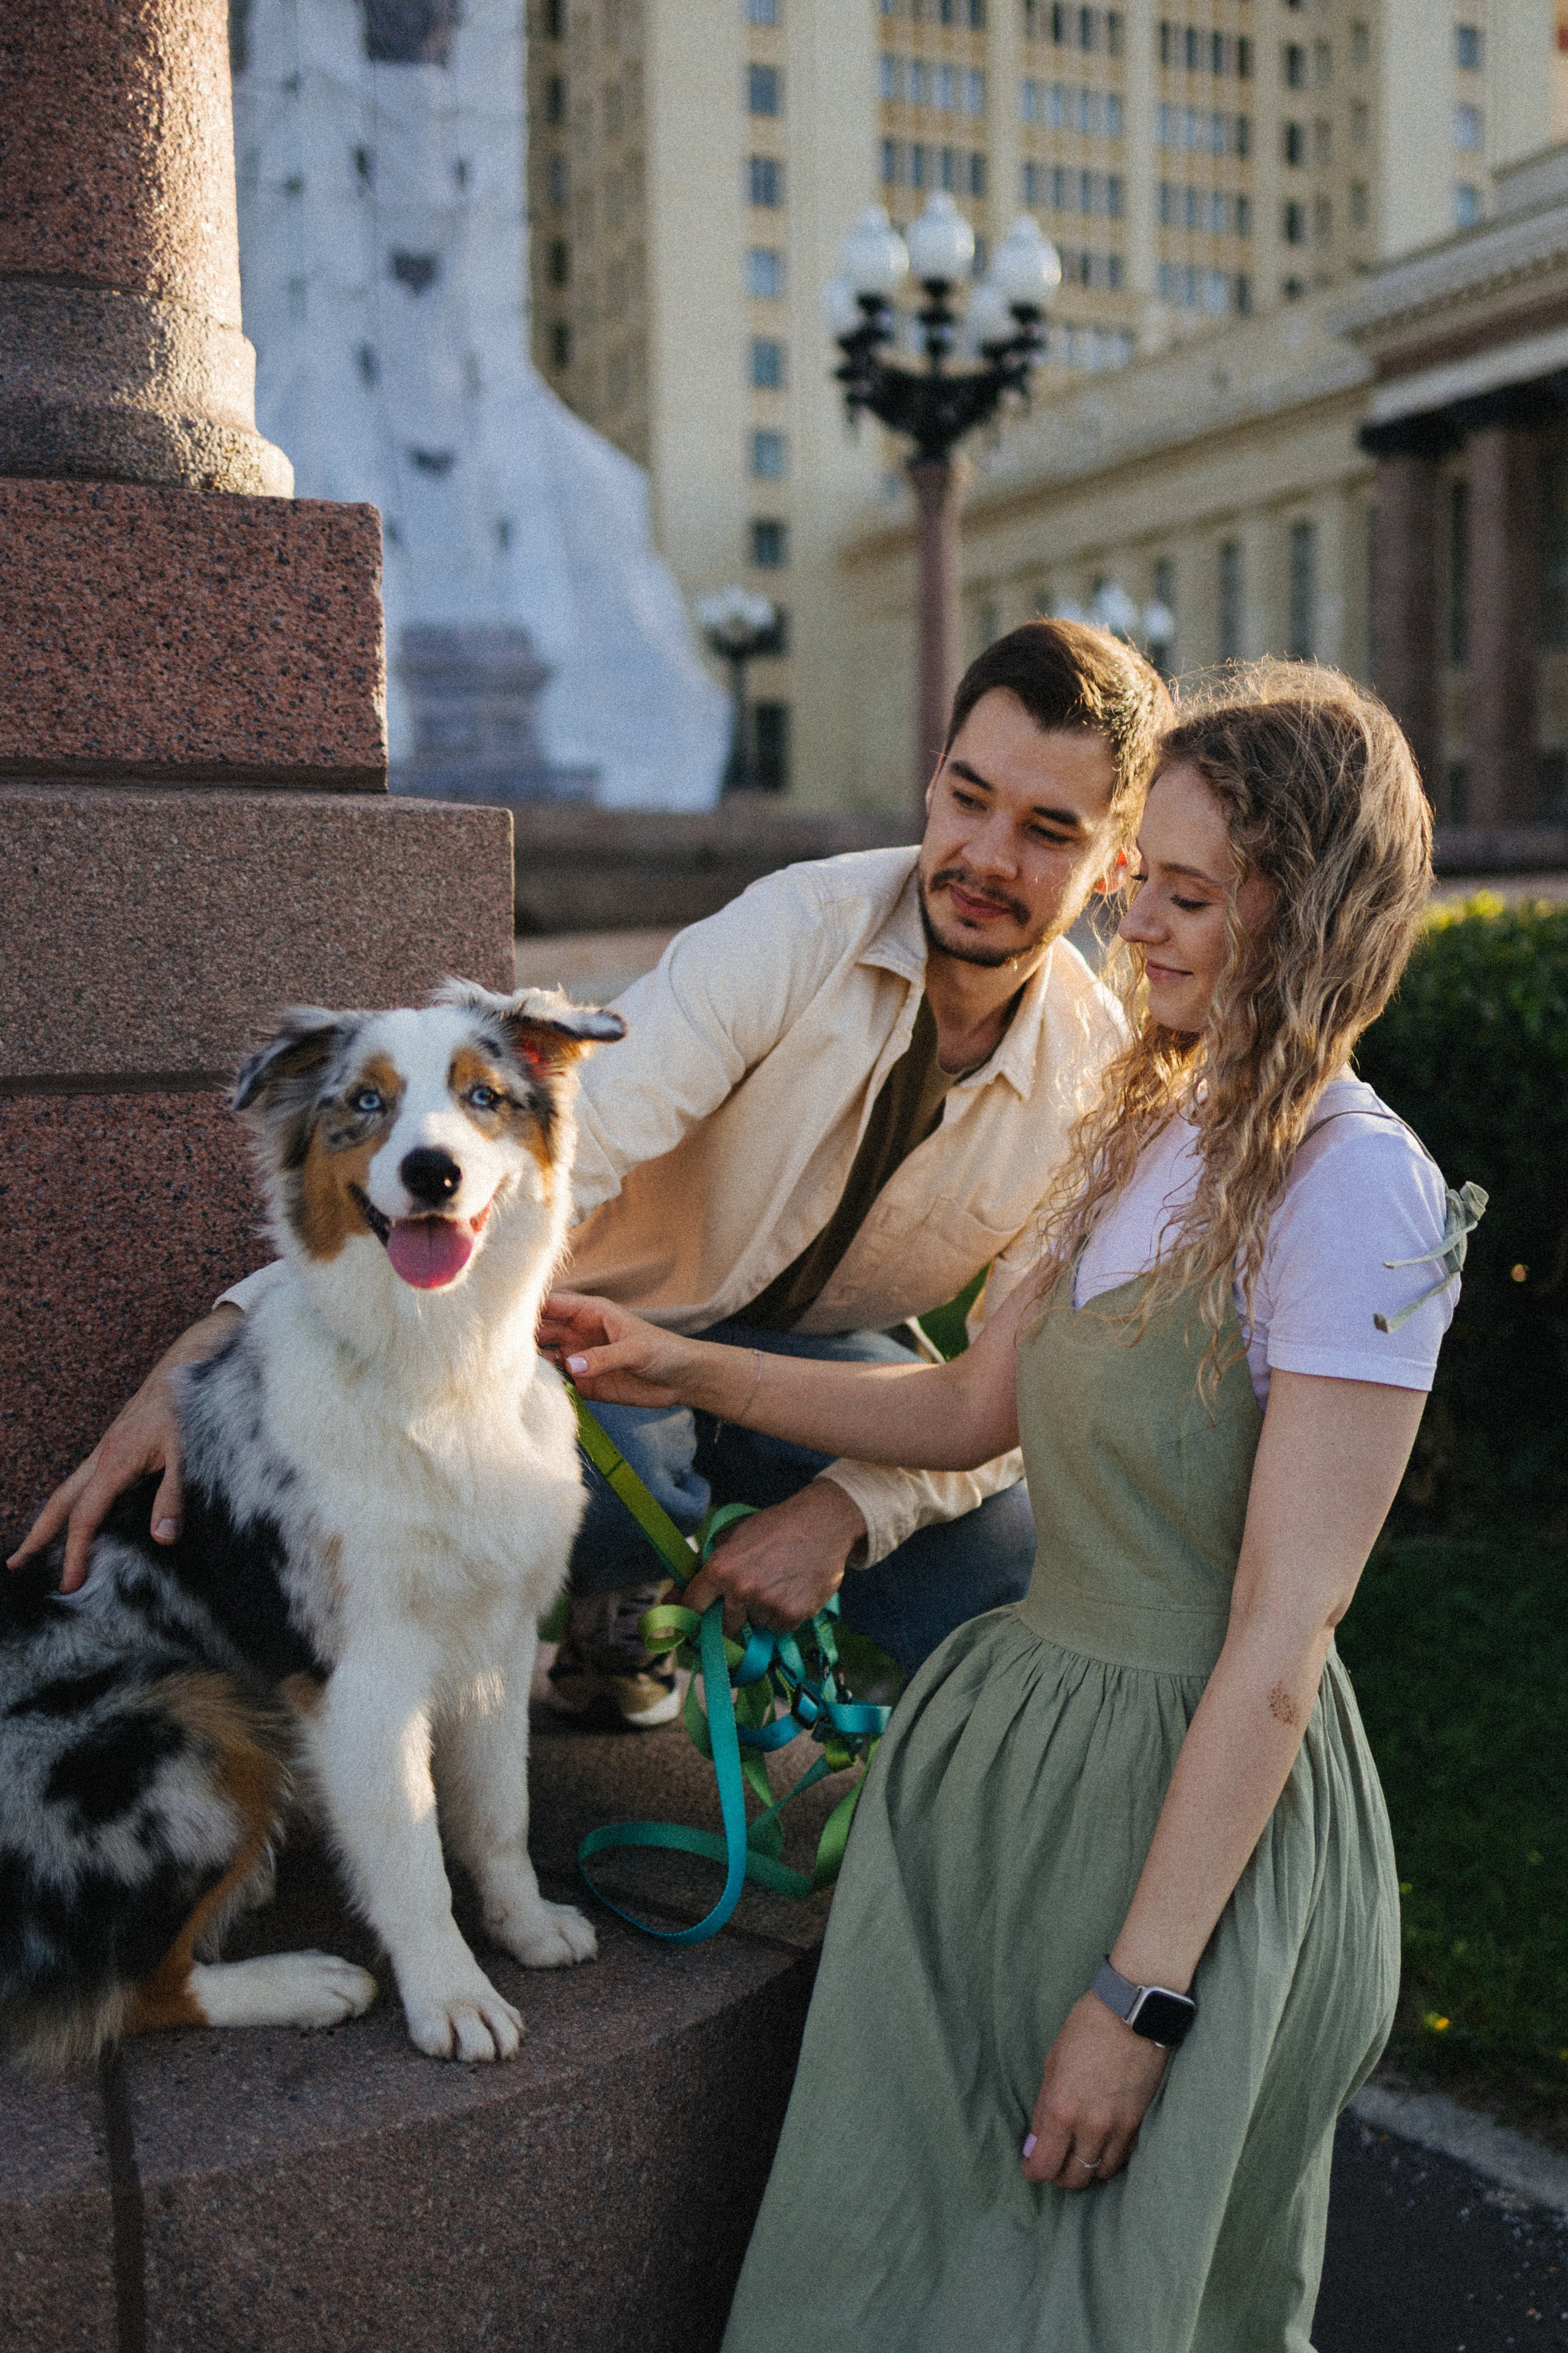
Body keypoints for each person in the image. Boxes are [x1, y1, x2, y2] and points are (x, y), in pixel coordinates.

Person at [539, 663, 1459, 2350]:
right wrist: (676, 1364)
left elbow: (1279, 1637)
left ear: (1308, 909)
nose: (1137, 925)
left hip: (1185, 1840)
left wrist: (1140, 1996)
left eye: (1186, 894)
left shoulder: (1361, 1189)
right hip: (1018, 1786)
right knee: (883, 2261)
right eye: (1144, 882)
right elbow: (966, 1407)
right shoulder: (1150, 1117)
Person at [10, 622, 1171, 1723]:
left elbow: (1018, 1395)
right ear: (932, 781)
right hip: (586, 1329)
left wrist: (839, 1512)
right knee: (610, 1496)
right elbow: (511, 1164)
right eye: (968, 798)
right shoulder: (797, 929)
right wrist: (198, 1359)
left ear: (1119, 860)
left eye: (1047, 830)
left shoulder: (1099, 1081)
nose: (985, 856)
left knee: (1013, 1565)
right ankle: (613, 1603)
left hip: (811, 1376)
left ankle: (955, 1808)